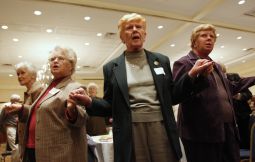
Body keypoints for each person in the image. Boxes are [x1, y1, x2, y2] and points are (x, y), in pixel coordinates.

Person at [69, 13, 214, 162]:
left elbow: (173, 96)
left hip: (161, 127)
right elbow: (109, 105)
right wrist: (89, 101)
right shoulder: (111, 67)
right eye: (129, 28)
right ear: (121, 37)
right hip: (130, 130)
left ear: (144, 34)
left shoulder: (161, 60)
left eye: (139, 27)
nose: (134, 30)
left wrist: (191, 75)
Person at [172, 24, 255, 162]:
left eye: (212, 36)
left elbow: (231, 87)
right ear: (194, 41)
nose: (209, 39)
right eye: (204, 35)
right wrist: (196, 75)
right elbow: (178, 93)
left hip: (227, 130)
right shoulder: (184, 63)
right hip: (201, 133)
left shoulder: (215, 65)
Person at [4, 46, 88, 162]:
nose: (55, 61)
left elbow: (82, 118)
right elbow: (42, 112)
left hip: (55, 153)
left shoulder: (75, 87)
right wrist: (22, 109)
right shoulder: (48, 87)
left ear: (71, 65)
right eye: (52, 59)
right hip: (32, 149)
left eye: (61, 58)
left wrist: (72, 110)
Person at [14, 61, 44, 161]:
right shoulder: (30, 92)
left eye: (22, 73)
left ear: (32, 75)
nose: (19, 76)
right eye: (18, 74)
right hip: (29, 142)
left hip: (35, 143)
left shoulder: (39, 90)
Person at [227, 73, 253, 149]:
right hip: (229, 118)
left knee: (247, 138)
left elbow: (249, 95)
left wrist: (239, 96)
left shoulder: (234, 77)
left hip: (243, 115)